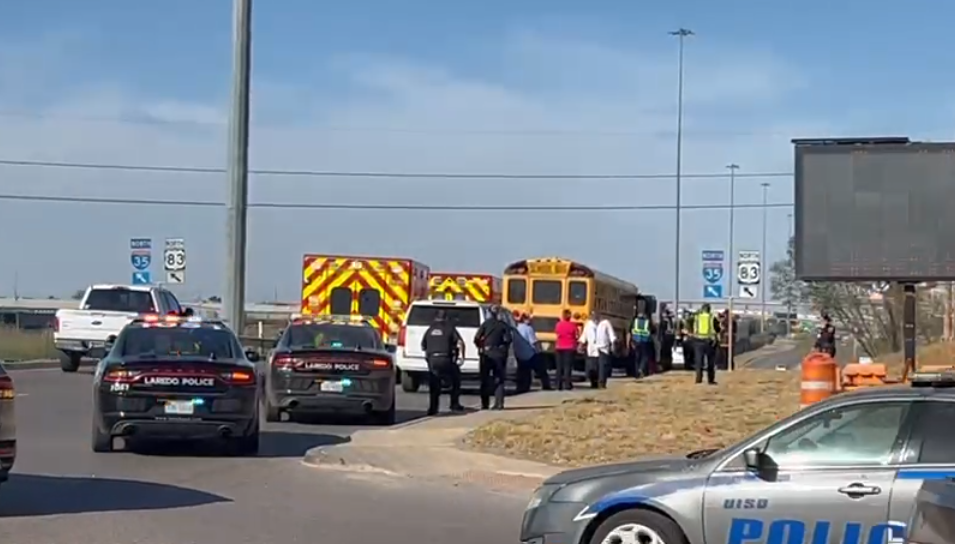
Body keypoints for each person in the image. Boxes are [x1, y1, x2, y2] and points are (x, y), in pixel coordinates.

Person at [420, 309, 466, 415]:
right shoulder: (450, 328)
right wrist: (462, 357)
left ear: (436, 317)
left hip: (433, 360)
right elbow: (460, 343)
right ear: (446, 318)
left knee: (434, 383)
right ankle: (454, 404)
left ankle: (433, 408)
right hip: (445, 359)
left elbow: (423, 346)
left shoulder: (429, 329)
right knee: (456, 379)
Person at [474, 304, 511, 410]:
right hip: (499, 354)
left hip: (486, 354)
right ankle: (499, 404)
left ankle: (484, 404)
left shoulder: (485, 324)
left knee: (484, 379)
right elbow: (508, 340)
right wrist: (503, 349)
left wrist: (481, 347)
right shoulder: (503, 325)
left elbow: (476, 338)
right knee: (499, 379)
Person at [515, 313, 552, 393]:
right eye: (529, 319)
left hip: (519, 353)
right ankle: (546, 385)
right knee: (540, 369)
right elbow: (533, 341)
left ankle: (521, 387)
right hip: (529, 353)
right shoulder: (528, 328)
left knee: (522, 371)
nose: (530, 321)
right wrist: (539, 351)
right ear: (525, 319)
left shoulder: (516, 328)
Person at [692, 303, 718, 384]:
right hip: (709, 341)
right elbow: (716, 329)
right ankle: (710, 380)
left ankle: (698, 379)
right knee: (710, 361)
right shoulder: (712, 317)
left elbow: (693, 328)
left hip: (698, 340)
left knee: (699, 361)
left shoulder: (697, 317)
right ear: (709, 309)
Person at [554, 309, 579, 390]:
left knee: (559, 367)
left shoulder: (558, 324)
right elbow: (576, 335)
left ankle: (558, 385)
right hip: (569, 347)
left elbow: (557, 333)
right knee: (567, 367)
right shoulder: (573, 325)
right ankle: (567, 384)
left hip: (559, 347)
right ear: (569, 316)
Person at [594, 313, 617, 388]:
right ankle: (601, 382)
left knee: (603, 366)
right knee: (601, 366)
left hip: (604, 347)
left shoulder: (606, 323)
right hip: (598, 347)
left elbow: (611, 334)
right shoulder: (597, 324)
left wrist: (613, 344)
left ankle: (602, 382)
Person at [630, 310, 655, 378]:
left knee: (637, 357)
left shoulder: (634, 321)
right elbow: (653, 330)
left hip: (636, 341)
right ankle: (640, 369)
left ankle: (637, 372)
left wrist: (631, 341)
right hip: (645, 341)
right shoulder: (647, 321)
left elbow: (630, 331)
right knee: (645, 356)